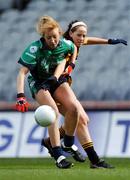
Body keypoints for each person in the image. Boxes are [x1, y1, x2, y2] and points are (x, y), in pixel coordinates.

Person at [41, 20, 127, 169]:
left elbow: (89, 40)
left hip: (62, 84)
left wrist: (109, 41)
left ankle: (50, 141)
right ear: (70, 34)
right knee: (80, 119)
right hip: (55, 85)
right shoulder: (66, 46)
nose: (82, 38)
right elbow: (61, 64)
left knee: (83, 119)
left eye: (83, 35)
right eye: (79, 35)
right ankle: (94, 159)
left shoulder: (73, 42)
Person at [15, 16, 82, 169]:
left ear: (60, 33)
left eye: (55, 37)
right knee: (53, 112)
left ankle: (69, 144)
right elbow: (21, 73)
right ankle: (58, 155)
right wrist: (20, 96)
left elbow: (74, 49)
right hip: (39, 83)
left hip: (55, 80)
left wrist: (70, 65)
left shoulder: (66, 44)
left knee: (74, 109)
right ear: (43, 37)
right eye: (48, 38)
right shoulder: (34, 49)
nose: (52, 40)